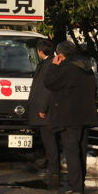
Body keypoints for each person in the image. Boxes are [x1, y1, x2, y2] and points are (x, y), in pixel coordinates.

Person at [44, 41, 98, 194]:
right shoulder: (87, 69)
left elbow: (49, 82)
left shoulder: (67, 69)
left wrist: (54, 65)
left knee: (72, 151)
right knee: (81, 150)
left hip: (69, 116)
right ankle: (79, 183)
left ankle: (75, 186)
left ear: (60, 55)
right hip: (86, 115)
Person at [26, 39, 58, 178]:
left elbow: (47, 90)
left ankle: (53, 168)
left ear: (40, 51)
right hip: (44, 109)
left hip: (46, 111)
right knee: (47, 140)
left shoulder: (49, 65)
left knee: (50, 140)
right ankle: (49, 164)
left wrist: (43, 108)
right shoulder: (49, 63)